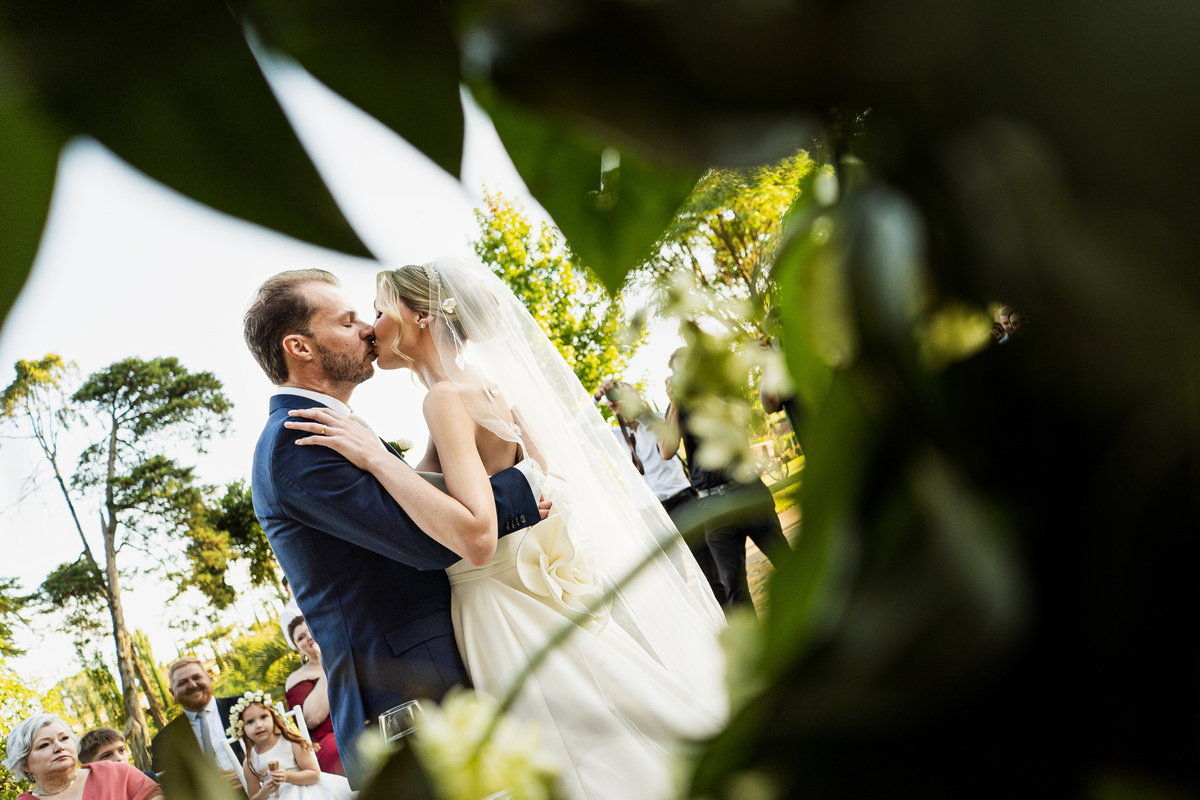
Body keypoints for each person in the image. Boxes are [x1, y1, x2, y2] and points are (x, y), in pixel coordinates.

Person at [286, 257, 728, 800]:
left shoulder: (443, 398)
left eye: (380, 311)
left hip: (496, 605)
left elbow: (476, 533)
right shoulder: (495, 393)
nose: (372, 328)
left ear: (420, 317)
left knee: (565, 762)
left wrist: (379, 461)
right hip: (532, 595)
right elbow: (549, 484)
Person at [244, 269, 543, 787]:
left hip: (434, 677)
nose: (367, 328)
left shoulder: (335, 428)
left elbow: (425, 498)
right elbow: (429, 540)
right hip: (400, 703)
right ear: (300, 347)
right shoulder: (299, 442)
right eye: (347, 320)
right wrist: (529, 484)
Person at [662, 347, 791, 611]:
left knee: (786, 560)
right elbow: (666, 450)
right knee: (734, 585)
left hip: (747, 491)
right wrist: (675, 403)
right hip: (712, 505)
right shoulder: (676, 408)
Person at [4, 714, 161, 800]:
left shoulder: (117, 772)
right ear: (25, 764)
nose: (60, 747)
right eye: (44, 745)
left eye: (64, 738)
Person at [227, 694, 351, 800]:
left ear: (274, 718)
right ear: (242, 729)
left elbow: (314, 775)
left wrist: (287, 776)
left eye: (263, 717)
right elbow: (253, 798)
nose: (258, 725)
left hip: (307, 792)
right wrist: (263, 792)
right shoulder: (250, 762)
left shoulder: (290, 743)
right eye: (250, 722)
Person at [149, 656, 243, 789]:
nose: (192, 685)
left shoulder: (245, 707)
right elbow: (168, 786)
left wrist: (248, 774)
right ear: (172, 693)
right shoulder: (164, 740)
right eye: (182, 683)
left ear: (208, 677)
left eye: (197, 677)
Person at [281, 610, 344, 775]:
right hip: (329, 739)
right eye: (301, 637)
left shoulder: (345, 655)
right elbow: (312, 719)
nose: (308, 636)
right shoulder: (297, 678)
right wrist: (328, 664)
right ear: (297, 649)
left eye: (310, 629)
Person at [78, 728, 158, 783]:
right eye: (107, 756)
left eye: (121, 750)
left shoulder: (148, 778)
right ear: (89, 766)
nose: (119, 758)